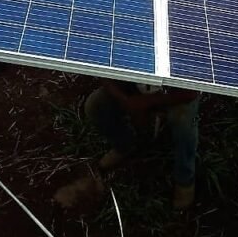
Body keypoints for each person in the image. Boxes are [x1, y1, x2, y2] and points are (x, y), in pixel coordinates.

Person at [84, 80, 201, 209]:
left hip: (176, 90)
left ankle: (185, 179)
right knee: (95, 105)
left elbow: (191, 93)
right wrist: (126, 100)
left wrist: (144, 102)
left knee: (183, 124)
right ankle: (124, 146)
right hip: (133, 84)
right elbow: (103, 73)